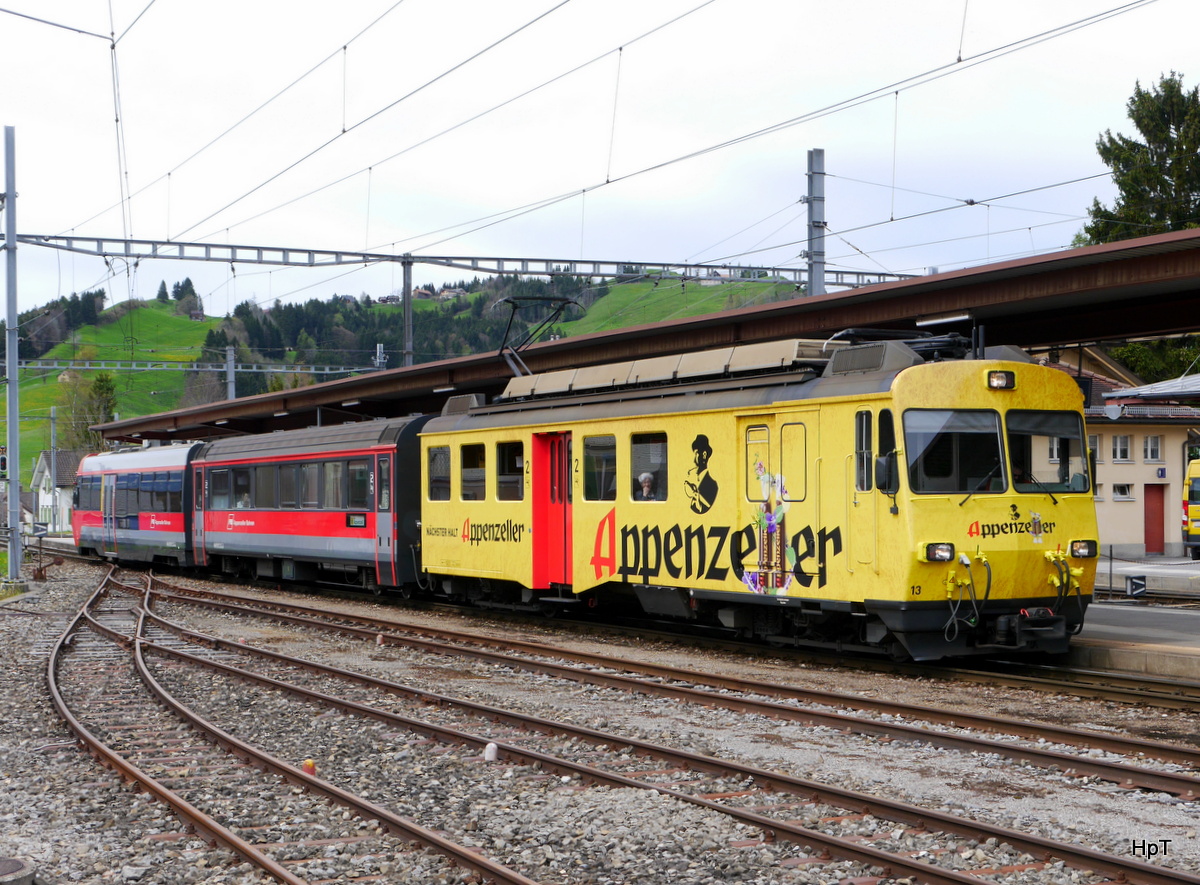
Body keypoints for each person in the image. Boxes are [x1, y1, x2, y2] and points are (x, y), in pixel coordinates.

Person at [686, 434, 718, 514]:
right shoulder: (693, 480)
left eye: (696, 453)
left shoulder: (713, 485)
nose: (694, 460)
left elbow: (702, 510)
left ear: (704, 455)